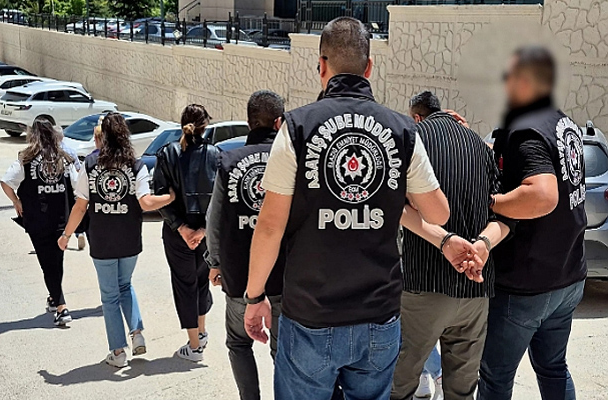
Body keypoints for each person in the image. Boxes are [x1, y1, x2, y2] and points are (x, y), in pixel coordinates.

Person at [243, 17, 450, 400]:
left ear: (321, 66)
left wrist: (255, 297)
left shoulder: (296, 127)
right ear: (369, 67)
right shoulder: (403, 130)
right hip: (378, 316)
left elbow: (269, 226)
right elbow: (438, 214)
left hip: (311, 315)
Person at [478, 46, 587, 399]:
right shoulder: (563, 124)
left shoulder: (525, 130)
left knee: (494, 376)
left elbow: (543, 195)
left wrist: (491, 201)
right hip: (568, 275)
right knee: (553, 368)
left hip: (526, 283)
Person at [391, 91, 510, 400]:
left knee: (400, 385)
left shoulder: (412, 140)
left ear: (417, 117)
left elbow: (395, 204)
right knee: (462, 391)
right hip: (476, 287)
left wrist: (443, 240)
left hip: (423, 284)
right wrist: (481, 245)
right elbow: (503, 215)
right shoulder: (480, 147)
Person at [57, 113, 175, 368]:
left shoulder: (90, 164)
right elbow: (146, 203)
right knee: (125, 285)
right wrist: (170, 198)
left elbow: (80, 206)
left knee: (110, 296)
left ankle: (118, 352)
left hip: (102, 240)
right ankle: (137, 332)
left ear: (103, 137)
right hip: (129, 238)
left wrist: (66, 235)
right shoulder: (136, 164)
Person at [205, 90, 285, 400]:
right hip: (284, 275)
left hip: (240, 276)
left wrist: (214, 262)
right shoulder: (290, 160)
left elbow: (215, 218)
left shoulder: (229, 160)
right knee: (283, 350)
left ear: (250, 122)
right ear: (278, 123)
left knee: (239, 343)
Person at [153, 104, 219, 362]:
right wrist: (202, 230)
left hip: (176, 231)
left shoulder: (167, 153)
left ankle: (194, 346)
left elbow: (161, 196)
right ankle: (200, 332)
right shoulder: (215, 154)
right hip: (205, 233)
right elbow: (220, 200)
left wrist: (181, 227)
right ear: (205, 126)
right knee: (201, 282)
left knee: (184, 285)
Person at [0, 118, 78, 326]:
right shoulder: (65, 158)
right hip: (62, 218)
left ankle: (61, 307)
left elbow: (6, 182)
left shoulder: (26, 158)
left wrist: (16, 201)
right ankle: (55, 298)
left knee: (47, 263)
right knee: (56, 261)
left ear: (32, 134)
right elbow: (77, 186)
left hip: (37, 219)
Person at [60, 131, 87, 251]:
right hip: (71, 187)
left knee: (61, 213)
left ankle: (62, 236)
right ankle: (79, 233)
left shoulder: (50, 151)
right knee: (74, 211)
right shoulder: (70, 151)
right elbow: (78, 169)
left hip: (58, 187)